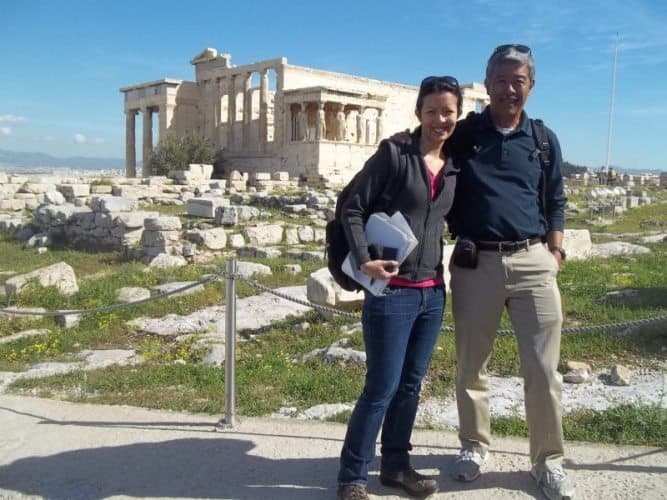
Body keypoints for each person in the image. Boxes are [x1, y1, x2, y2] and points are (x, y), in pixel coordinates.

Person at [445, 44, 575, 500]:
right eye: (500, 80)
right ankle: (473, 446)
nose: (508, 89)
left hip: (533, 261)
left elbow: (556, 198)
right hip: (476, 262)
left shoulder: (542, 139)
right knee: (470, 365)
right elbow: (427, 163)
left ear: (531, 86)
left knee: (543, 369)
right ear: (486, 85)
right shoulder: (465, 133)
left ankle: (548, 461)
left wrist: (554, 252)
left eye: (518, 80)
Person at [336, 75, 462, 500]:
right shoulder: (393, 154)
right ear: (418, 113)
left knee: (411, 385)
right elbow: (352, 206)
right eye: (432, 110)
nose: (439, 119)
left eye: (448, 111)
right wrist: (362, 257)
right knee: (381, 387)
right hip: (393, 292)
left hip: (432, 291)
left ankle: (395, 467)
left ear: (457, 115)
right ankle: (352, 476)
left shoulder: (455, 165)